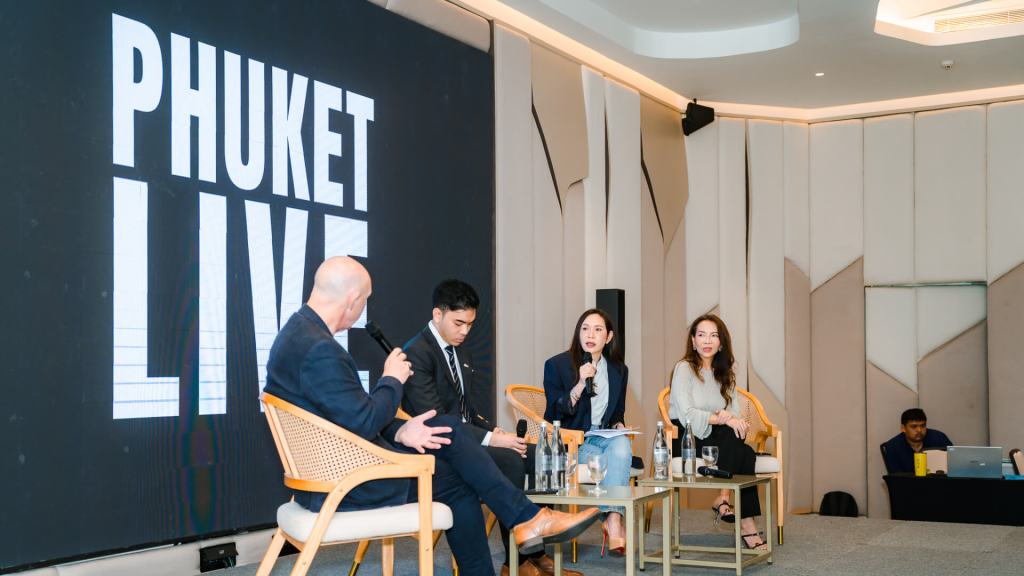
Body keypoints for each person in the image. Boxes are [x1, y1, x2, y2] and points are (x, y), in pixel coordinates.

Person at [263, 257, 598, 576]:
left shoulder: (298, 334)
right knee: (461, 476)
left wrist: (401, 430)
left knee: (453, 447)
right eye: (365, 301)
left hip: (337, 471)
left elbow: (350, 415)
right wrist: (391, 379)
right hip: (349, 483)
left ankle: (527, 520)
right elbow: (364, 421)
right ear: (353, 300)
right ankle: (527, 519)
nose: (364, 309)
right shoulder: (320, 349)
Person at [404, 280, 574, 576]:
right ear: (437, 314)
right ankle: (517, 561)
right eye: (459, 323)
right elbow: (436, 420)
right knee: (510, 459)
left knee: (542, 457)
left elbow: (467, 412)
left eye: (470, 324)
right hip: (439, 446)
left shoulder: (461, 351)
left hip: (466, 438)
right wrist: (491, 439)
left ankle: (535, 550)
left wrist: (497, 432)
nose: (465, 331)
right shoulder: (416, 353)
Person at [669, 314, 766, 551]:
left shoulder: (725, 373)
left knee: (740, 445)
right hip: (687, 437)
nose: (707, 340)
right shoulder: (684, 368)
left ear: (721, 343)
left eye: (713, 335)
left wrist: (728, 418)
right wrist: (720, 417)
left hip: (717, 435)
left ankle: (726, 502)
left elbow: (734, 412)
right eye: (701, 335)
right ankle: (743, 520)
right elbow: (687, 413)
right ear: (693, 341)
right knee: (745, 453)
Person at [543, 308, 632, 557]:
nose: (590, 335)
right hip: (573, 441)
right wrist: (581, 384)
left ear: (609, 337)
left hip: (603, 436)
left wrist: (619, 424)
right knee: (613, 459)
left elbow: (617, 411)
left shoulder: (618, 370)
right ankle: (614, 521)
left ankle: (612, 518)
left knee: (622, 444)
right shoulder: (557, 365)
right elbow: (554, 413)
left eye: (597, 329)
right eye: (585, 328)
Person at [881, 408, 952, 473]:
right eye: (914, 426)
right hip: (907, 482)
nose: (919, 430)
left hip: (938, 481)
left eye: (923, 426)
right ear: (903, 428)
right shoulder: (893, 447)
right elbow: (896, 478)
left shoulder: (939, 438)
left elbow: (953, 465)